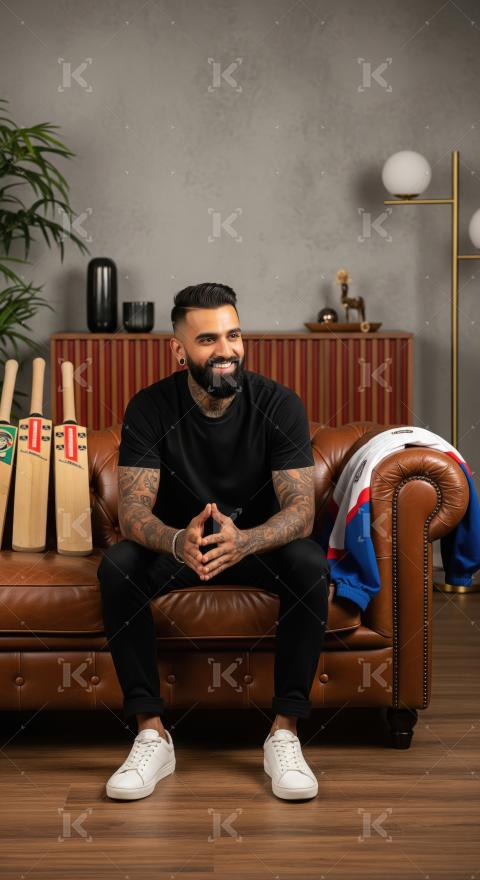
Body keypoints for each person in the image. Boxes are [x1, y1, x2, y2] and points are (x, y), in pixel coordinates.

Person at [97, 281, 330, 802]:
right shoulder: (151, 407)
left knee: (310, 564)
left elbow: (301, 510)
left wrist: (246, 541)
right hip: (181, 547)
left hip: (254, 547)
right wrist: (178, 539)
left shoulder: (279, 403)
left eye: (234, 335)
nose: (226, 351)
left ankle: (284, 733)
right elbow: (132, 511)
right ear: (178, 350)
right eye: (208, 340)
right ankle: (151, 733)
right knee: (118, 566)